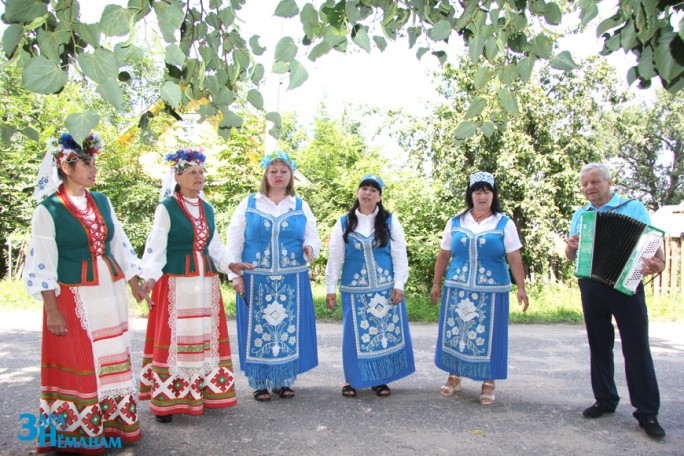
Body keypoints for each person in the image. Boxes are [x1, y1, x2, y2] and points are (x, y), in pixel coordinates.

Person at [24, 132, 149, 454]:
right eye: (87, 163)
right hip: (74, 296)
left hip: (108, 291)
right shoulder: (48, 209)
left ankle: (114, 425)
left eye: (94, 162)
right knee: (81, 360)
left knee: (111, 355)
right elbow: (42, 261)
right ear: (66, 167)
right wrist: (52, 309)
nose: (94, 169)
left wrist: (134, 280)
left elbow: (119, 242)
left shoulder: (102, 201)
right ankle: (78, 432)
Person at [138, 148, 249, 423]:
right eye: (192, 172)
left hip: (204, 282)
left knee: (200, 337)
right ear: (177, 176)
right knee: (176, 338)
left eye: (201, 172)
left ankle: (202, 392)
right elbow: (156, 245)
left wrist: (230, 266)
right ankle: (168, 401)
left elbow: (215, 246)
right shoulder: (166, 208)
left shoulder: (207, 208)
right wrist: (149, 277)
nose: (199, 177)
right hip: (176, 282)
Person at [564, 163, 666, 438]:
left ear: (610, 183)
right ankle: (605, 400)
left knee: (636, 349)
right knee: (599, 345)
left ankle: (647, 413)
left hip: (627, 286)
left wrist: (658, 265)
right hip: (591, 285)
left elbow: (657, 252)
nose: (589, 188)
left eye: (594, 182)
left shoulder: (633, 208)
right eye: (584, 184)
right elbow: (570, 256)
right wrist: (571, 248)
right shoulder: (581, 215)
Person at [226, 151, 321, 401]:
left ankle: (284, 380)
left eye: (284, 171)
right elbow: (234, 239)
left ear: (291, 176)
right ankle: (259, 382)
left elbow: (312, 236)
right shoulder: (249, 203)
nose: (278, 176)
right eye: (273, 171)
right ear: (265, 174)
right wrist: (234, 274)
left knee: (287, 329)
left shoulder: (300, 206)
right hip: (256, 278)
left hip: (292, 279)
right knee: (260, 329)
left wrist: (310, 248)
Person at [430, 171, 529, 405]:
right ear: (470, 194)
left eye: (487, 191)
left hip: (492, 291)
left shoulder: (504, 223)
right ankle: (454, 375)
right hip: (458, 288)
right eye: (477, 191)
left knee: (490, 336)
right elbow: (444, 255)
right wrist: (436, 283)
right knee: (457, 332)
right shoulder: (455, 222)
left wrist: (521, 288)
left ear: (493, 195)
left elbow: (514, 258)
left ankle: (488, 380)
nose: (482, 196)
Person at [325, 174, 415, 398]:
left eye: (373, 190)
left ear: (380, 197)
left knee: (380, 335)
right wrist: (330, 288)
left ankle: (380, 378)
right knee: (353, 336)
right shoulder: (344, 222)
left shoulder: (390, 221)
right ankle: (350, 379)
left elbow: (399, 255)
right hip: (354, 291)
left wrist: (399, 284)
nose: (368, 193)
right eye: (364, 188)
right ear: (358, 193)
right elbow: (335, 257)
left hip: (384, 289)